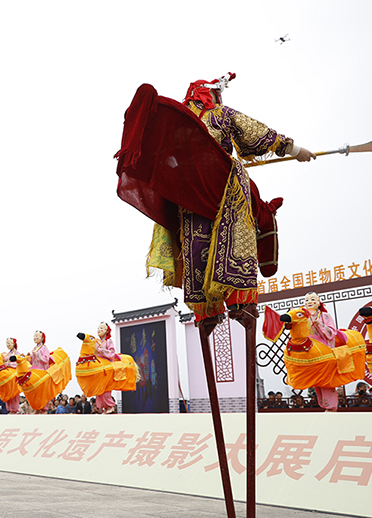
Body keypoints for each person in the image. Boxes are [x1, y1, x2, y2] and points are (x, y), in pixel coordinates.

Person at [119, 74, 314, 324]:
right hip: (223, 187)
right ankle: (241, 295)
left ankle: (206, 310)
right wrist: (296, 151)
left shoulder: (179, 120)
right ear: (210, 95)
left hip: (189, 195)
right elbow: (256, 133)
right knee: (252, 215)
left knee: (195, 246)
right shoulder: (221, 114)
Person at [303, 292, 345, 411]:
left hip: (325, 353)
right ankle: (323, 405)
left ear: (319, 302)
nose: (309, 302)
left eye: (312, 299)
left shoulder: (325, 316)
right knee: (317, 381)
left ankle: (331, 407)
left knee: (326, 380)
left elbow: (332, 333)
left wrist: (320, 325)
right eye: (307, 300)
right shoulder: (305, 317)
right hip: (312, 353)